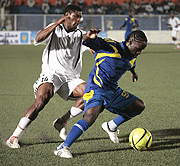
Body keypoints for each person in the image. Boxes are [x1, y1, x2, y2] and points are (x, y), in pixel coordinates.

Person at [54, 29, 148, 158]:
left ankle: (111, 126)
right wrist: (88, 36)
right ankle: (62, 147)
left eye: (142, 49)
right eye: (138, 48)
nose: (139, 52)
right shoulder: (109, 46)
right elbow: (87, 41)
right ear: (130, 41)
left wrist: (133, 72)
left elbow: (131, 64)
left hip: (113, 91)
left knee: (139, 106)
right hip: (95, 89)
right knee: (90, 116)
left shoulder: (132, 56)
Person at [6, 5, 88, 149]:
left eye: (80, 17)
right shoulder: (55, 28)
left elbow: (91, 45)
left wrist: (94, 43)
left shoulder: (81, 34)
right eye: (76, 16)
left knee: (91, 93)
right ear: (67, 15)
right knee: (42, 99)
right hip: (52, 74)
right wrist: (57, 22)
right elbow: (37, 38)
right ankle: (14, 137)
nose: (79, 20)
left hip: (71, 78)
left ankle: (61, 121)